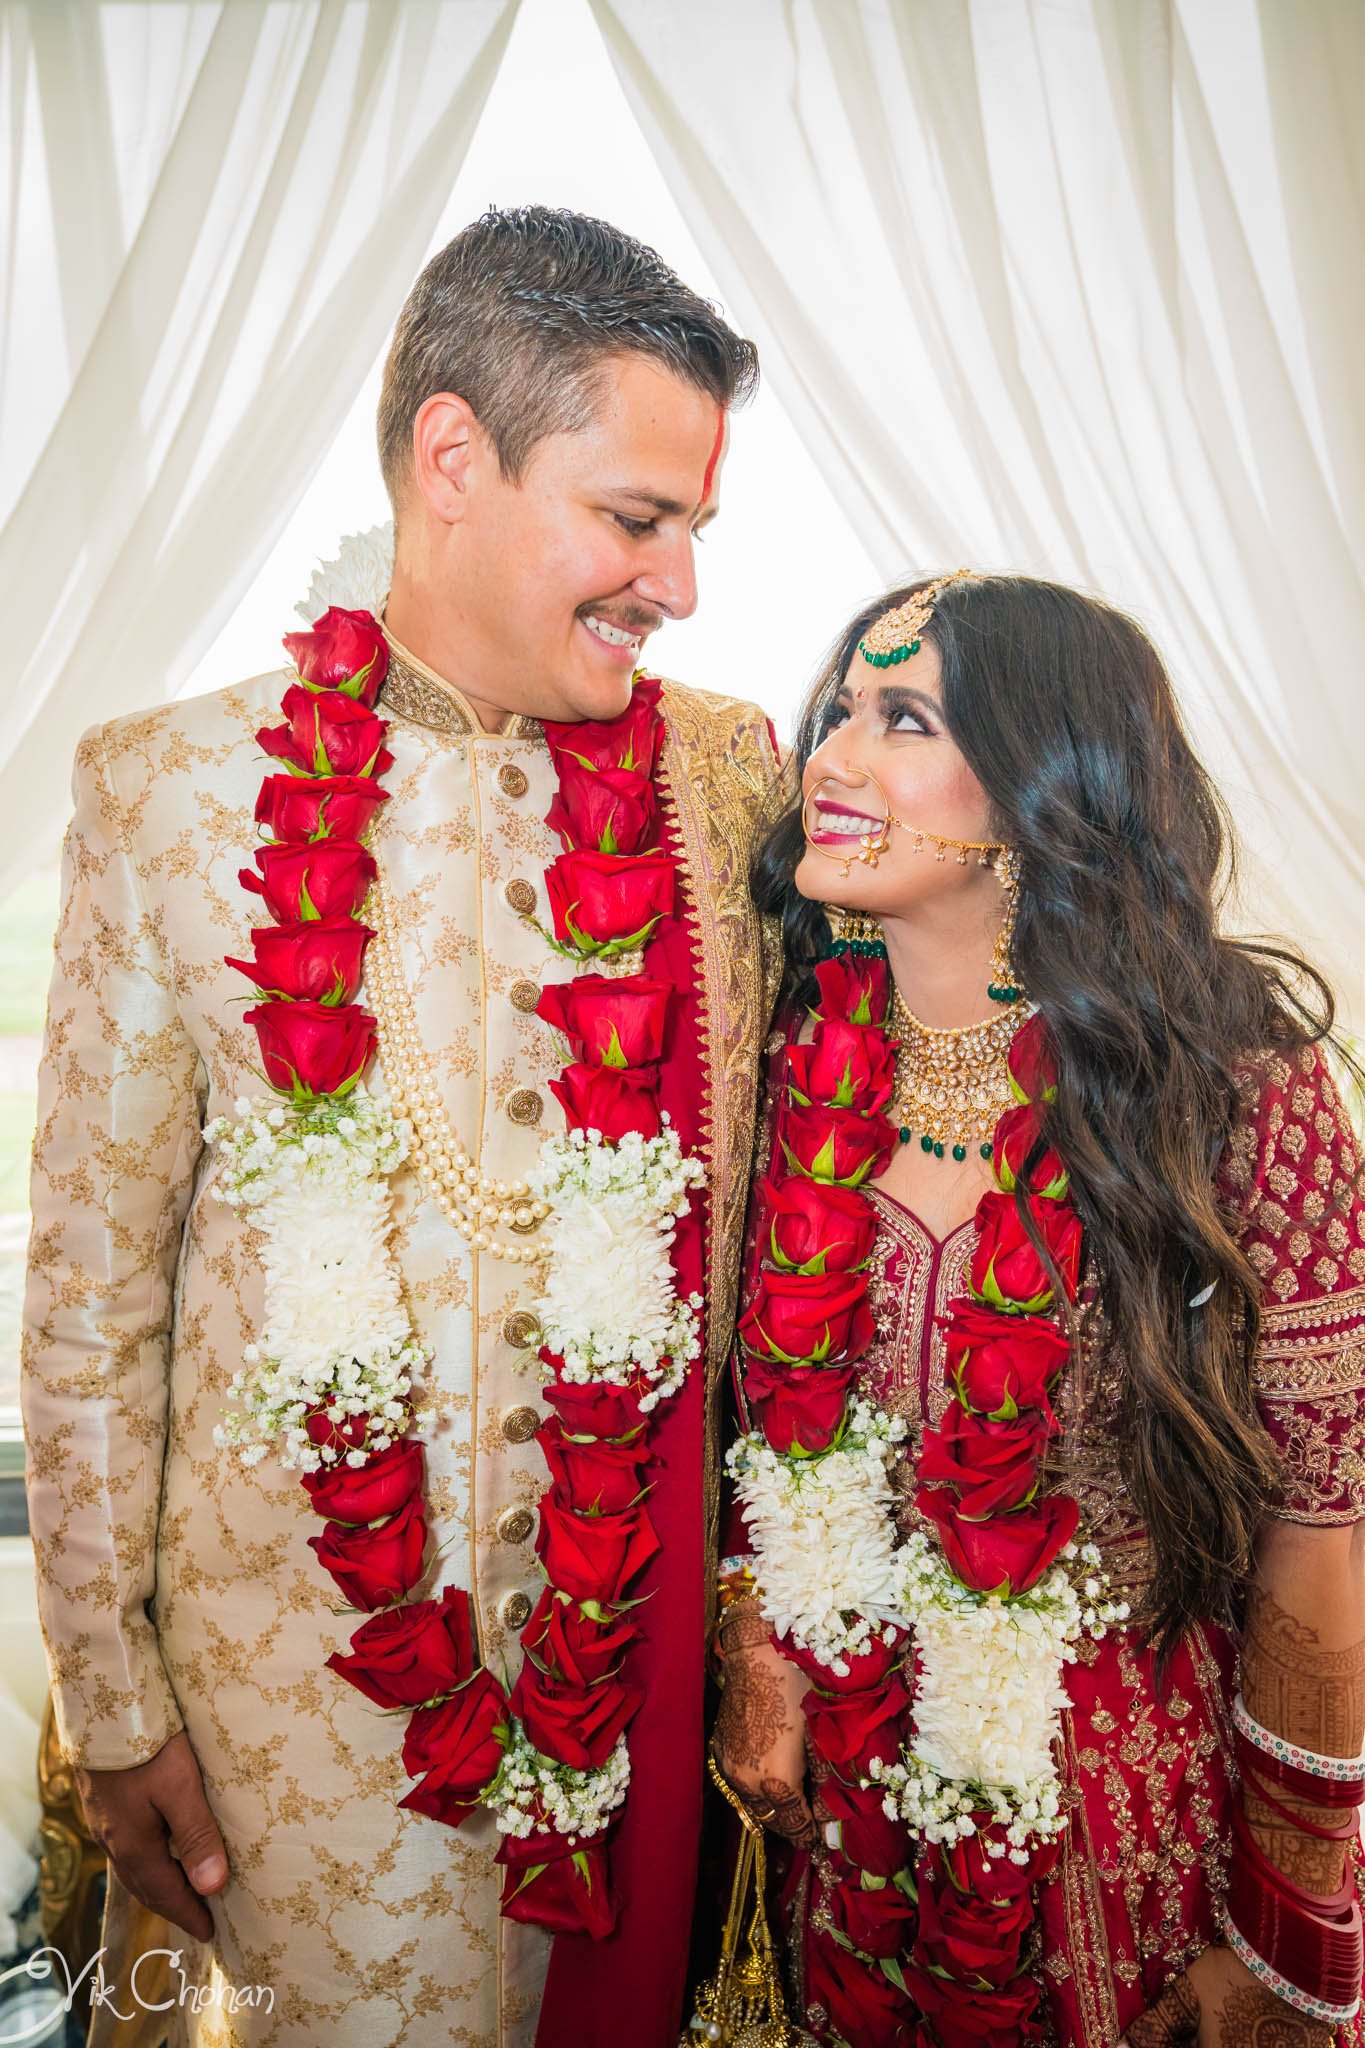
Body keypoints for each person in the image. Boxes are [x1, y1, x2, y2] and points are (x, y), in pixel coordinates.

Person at [22, 204, 782, 2048]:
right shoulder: (177, 793)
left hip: (631, 1696)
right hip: (292, 1724)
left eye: (691, 529)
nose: (677, 586)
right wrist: (114, 1709)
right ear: (455, 456)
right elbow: (90, 1297)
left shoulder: (726, 779)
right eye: (634, 518)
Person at [711, 571, 1365, 2048]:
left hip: (1138, 1845)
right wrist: (756, 1646)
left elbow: (1321, 1530)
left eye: (903, 719)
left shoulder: (1232, 1090)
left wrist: (1282, 1941)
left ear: (1035, 786)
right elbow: (736, 1445)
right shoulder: (776, 1062)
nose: (829, 758)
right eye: (837, 711)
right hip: (847, 1823)